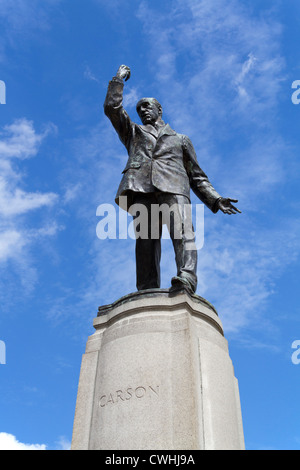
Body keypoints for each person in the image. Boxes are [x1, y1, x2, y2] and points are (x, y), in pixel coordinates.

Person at [104, 65, 241, 294]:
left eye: (147, 106)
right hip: (142, 188)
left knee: (183, 232)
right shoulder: (133, 132)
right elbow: (112, 108)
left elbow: (197, 176)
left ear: (160, 109)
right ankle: (146, 289)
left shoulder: (180, 139)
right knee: (146, 242)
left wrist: (215, 199)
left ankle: (186, 277)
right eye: (139, 109)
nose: (143, 110)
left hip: (175, 188)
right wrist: (118, 80)